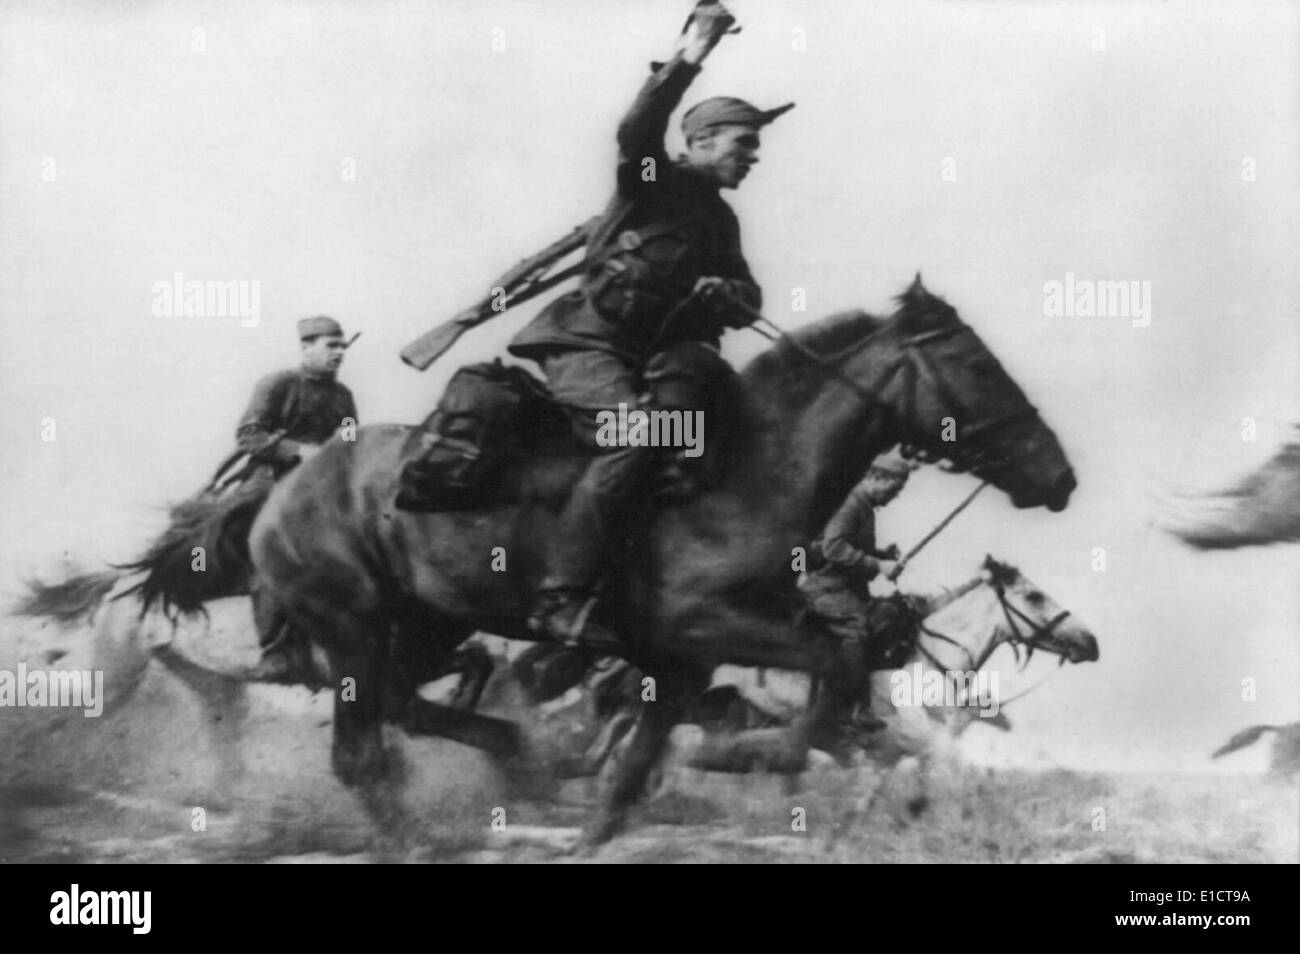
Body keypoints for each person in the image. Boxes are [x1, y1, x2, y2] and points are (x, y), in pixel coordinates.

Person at [506, 1, 793, 650]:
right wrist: (693, 53)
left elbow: (749, 298)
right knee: (634, 437)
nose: (753, 157)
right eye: (744, 143)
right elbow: (637, 128)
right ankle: (559, 599)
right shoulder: (650, 180)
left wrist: (729, 293)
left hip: (647, 361)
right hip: (585, 344)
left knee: (707, 434)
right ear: (702, 141)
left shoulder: (720, 221)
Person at [236, 316, 359, 682]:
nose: (339, 353)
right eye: (331, 345)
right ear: (306, 347)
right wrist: (299, 451)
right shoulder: (278, 384)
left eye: (342, 346)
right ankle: (277, 654)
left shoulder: (343, 396)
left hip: (317, 488)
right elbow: (248, 435)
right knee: (270, 556)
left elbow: (349, 441)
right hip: (271, 482)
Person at [798, 449, 915, 731]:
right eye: (894, 489)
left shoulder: (863, 505)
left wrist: (882, 555)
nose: (894, 497)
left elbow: (850, 545)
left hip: (844, 588)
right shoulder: (851, 504)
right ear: (877, 478)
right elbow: (834, 548)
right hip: (827, 588)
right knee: (857, 628)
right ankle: (849, 708)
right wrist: (879, 565)